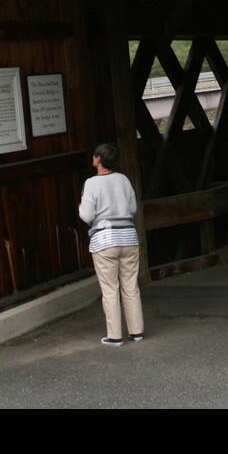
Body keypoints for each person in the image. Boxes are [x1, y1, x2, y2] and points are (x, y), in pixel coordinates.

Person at [78, 142, 144, 346]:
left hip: (105, 240)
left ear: (98, 159)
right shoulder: (123, 179)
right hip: (128, 238)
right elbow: (132, 208)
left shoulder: (91, 183)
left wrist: (81, 206)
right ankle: (137, 331)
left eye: (94, 156)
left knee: (110, 289)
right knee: (131, 286)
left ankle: (115, 335)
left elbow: (86, 215)